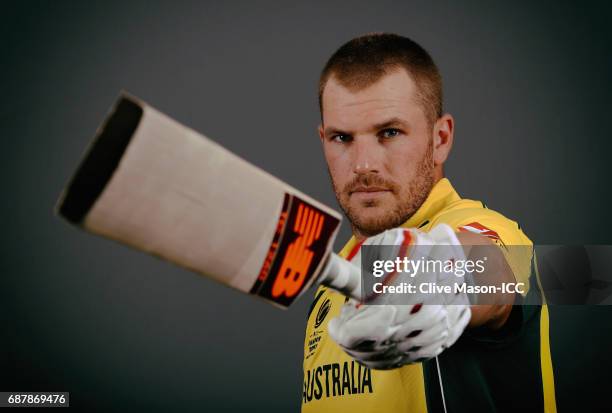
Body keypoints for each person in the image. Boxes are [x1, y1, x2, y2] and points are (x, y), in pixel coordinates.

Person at [302, 33, 556, 412]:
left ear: (440, 139)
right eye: (342, 137)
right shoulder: (332, 284)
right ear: (323, 139)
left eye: (389, 133)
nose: (363, 164)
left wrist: (440, 281)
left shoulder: (489, 228)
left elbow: (487, 269)